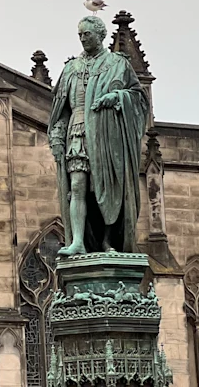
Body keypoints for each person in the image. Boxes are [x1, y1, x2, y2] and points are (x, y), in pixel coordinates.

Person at [47, 16, 149, 255]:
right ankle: (78, 242)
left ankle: (107, 241)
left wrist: (117, 97)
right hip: (77, 131)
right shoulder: (71, 68)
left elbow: (139, 98)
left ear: (100, 35)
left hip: (106, 134)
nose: (83, 39)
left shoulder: (117, 64)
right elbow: (61, 110)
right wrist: (57, 136)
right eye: (80, 35)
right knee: (77, 185)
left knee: (107, 188)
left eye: (87, 34)